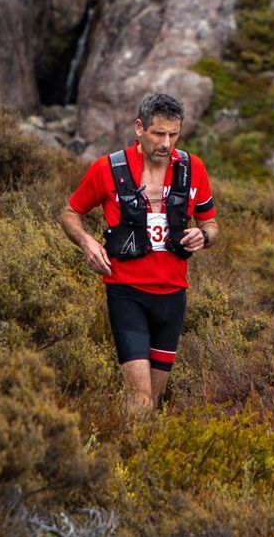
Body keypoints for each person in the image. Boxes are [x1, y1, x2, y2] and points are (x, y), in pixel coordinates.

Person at [60, 92, 218, 412]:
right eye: (159, 133)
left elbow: (211, 223)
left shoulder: (193, 168)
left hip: (173, 295)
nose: (166, 143)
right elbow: (69, 213)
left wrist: (203, 236)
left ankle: (140, 456)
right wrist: (88, 243)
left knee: (154, 401)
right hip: (127, 292)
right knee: (140, 399)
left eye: (174, 134)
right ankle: (123, 459)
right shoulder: (108, 168)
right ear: (139, 128)